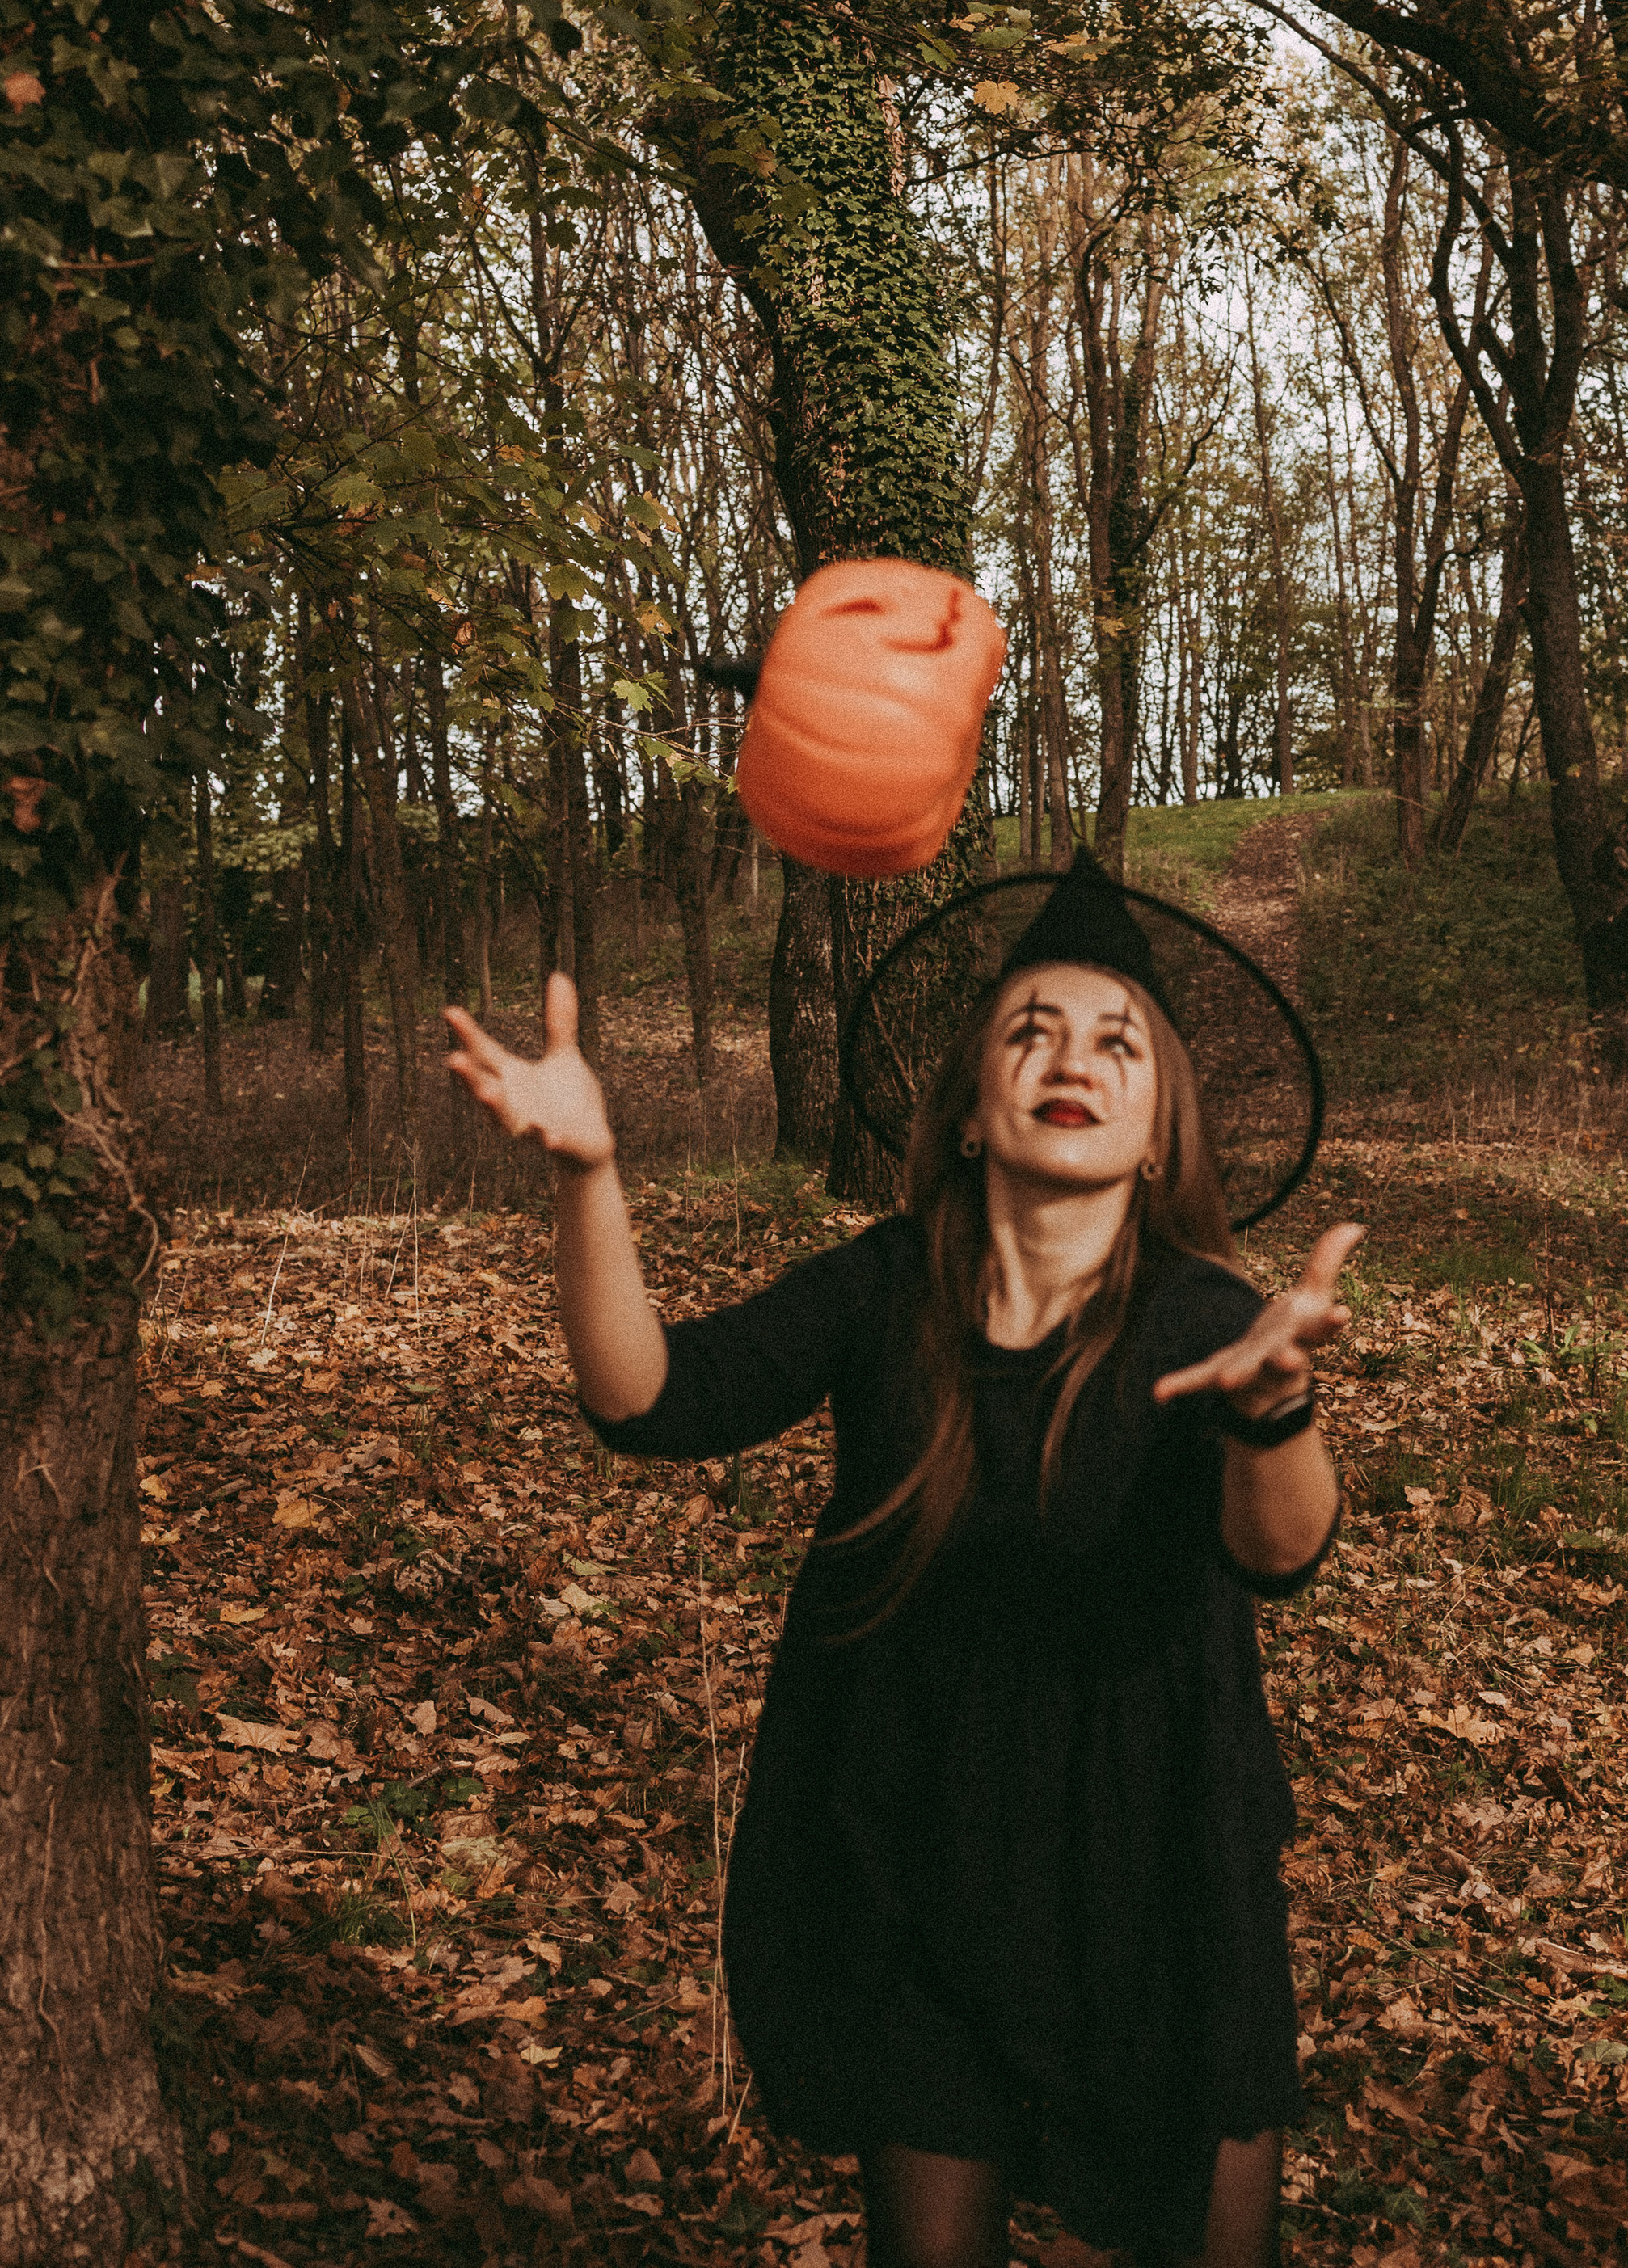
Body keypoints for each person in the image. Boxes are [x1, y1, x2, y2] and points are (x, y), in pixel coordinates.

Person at [445, 854, 1356, 2268]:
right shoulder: (881, 1288)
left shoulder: (1206, 1319)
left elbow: (1281, 1549)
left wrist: (1273, 1408)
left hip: (1160, 1856)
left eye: (1119, 1044)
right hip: (925, 1845)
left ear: (1162, 1130)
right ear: (972, 1110)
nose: (1074, 1060)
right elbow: (650, 1398)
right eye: (1032, 1031)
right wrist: (591, 1171)